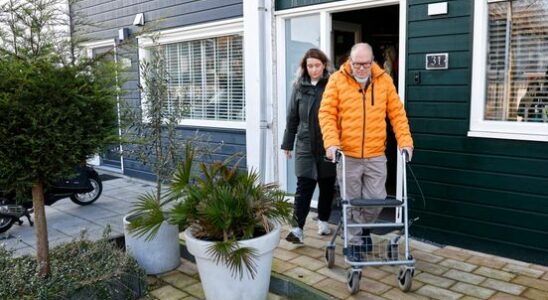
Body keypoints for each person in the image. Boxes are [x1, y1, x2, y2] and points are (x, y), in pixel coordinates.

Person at [318, 43, 413, 261]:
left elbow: (397, 114)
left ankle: (362, 229)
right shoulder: (337, 80)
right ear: (350, 61)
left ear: (373, 62)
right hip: (347, 155)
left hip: (375, 154)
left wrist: (405, 141)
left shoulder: (384, 81)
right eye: (357, 64)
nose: (361, 68)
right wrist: (331, 143)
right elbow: (327, 114)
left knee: (376, 199)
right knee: (351, 201)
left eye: (366, 64)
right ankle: (354, 243)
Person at [281, 48, 337, 244]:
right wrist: (287, 143)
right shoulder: (298, 87)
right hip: (305, 144)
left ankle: (323, 219)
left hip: (327, 144)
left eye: (317, 65)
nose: (314, 69)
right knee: (303, 187)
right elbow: (292, 117)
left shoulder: (333, 85)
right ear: (305, 67)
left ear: (324, 66)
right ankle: (297, 229)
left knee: (327, 186)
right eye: (310, 65)